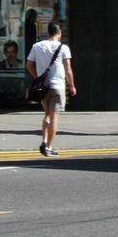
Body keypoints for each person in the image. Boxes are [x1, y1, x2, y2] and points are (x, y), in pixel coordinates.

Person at [25, 22, 75, 157]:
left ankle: (44, 140)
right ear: (59, 33)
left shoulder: (37, 46)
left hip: (44, 87)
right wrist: (72, 85)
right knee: (54, 117)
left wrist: (38, 77)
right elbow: (68, 69)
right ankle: (49, 147)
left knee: (47, 114)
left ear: (48, 33)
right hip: (58, 86)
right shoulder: (63, 47)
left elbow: (29, 64)